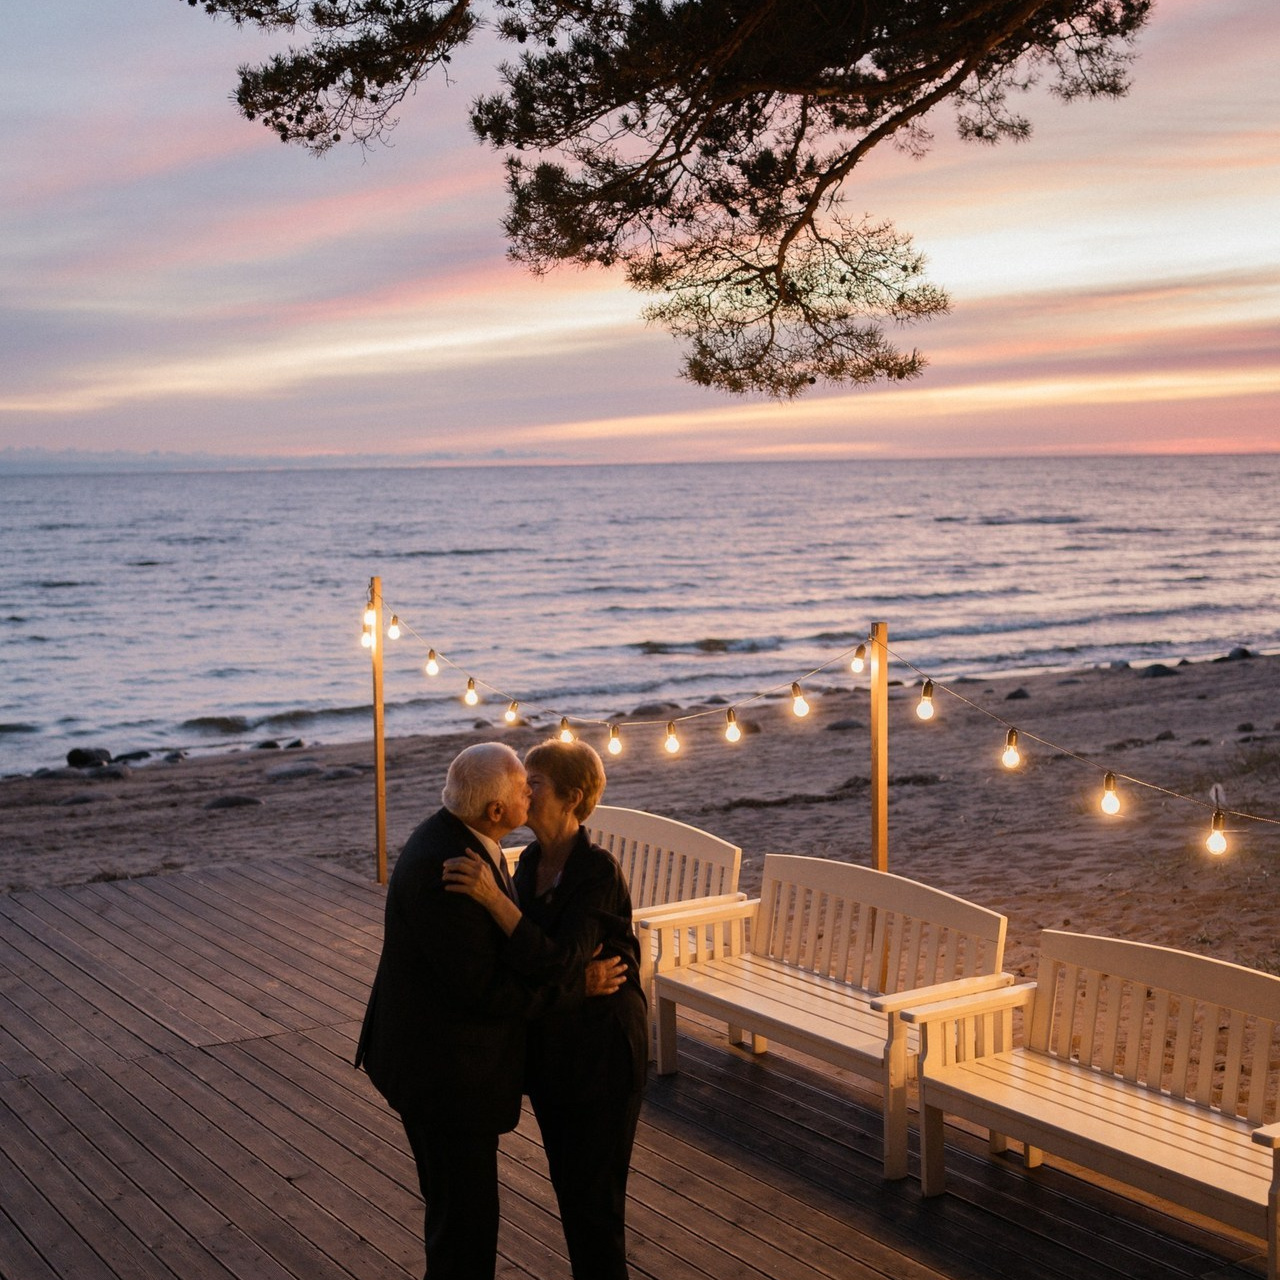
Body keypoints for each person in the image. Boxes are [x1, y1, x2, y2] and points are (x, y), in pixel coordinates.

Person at [354, 741, 625, 1280]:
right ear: (496, 812)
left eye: (534, 782)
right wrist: (581, 984)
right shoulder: (456, 870)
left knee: (479, 1220)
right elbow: (487, 991)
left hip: (587, 1062)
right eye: (523, 785)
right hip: (446, 1077)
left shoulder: (479, 848)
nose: (529, 789)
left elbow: (537, 956)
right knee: (465, 1233)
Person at [443, 738, 648, 1280]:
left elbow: (557, 960)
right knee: (569, 1188)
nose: (522, 791)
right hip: (557, 1049)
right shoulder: (530, 860)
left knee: (595, 1204)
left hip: (605, 1054)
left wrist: (492, 899)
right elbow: (534, 963)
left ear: (571, 796)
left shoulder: (596, 872)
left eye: (533, 783)